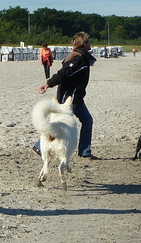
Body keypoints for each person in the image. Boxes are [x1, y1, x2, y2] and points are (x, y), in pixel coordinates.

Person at [37, 31, 97, 159]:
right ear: (84, 43)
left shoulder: (82, 57)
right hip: (70, 97)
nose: (90, 43)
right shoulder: (78, 59)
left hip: (78, 97)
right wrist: (48, 84)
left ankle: (85, 152)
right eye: (88, 41)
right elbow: (63, 73)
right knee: (60, 122)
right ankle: (38, 146)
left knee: (87, 121)